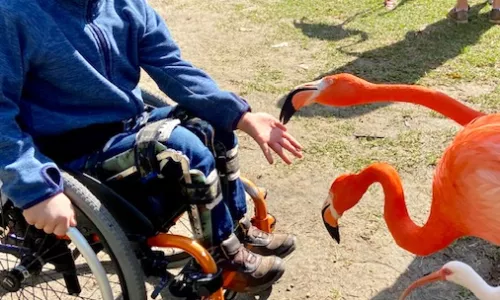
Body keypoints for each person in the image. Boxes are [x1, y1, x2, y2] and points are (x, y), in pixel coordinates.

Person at [0, 0, 303, 294]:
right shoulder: (16, 13)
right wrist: (36, 189)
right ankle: (224, 261)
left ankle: (234, 233)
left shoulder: (123, 5)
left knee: (213, 125)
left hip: (127, 125)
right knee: (180, 149)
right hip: (71, 151)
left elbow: (172, 66)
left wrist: (241, 116)